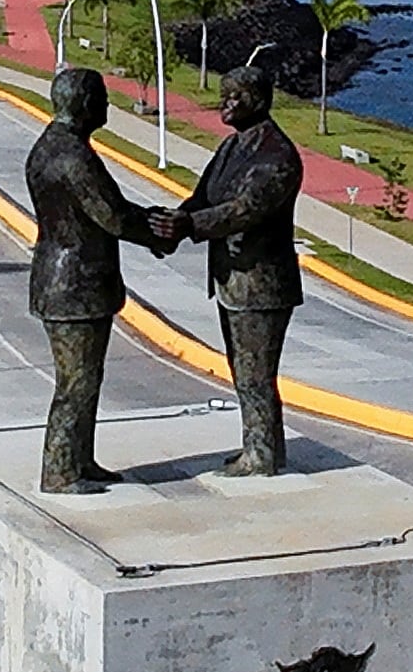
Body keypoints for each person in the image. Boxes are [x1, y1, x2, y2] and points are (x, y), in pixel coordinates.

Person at [151, 61, 303, 475]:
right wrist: (171, 223)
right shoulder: (231, 148)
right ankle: (255, 446)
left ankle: (264, 454)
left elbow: (244, 210)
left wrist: (189, 225)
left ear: (259, 100)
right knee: (242, 371)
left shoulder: (279, 156)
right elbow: (203, 198)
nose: (226, 104)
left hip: (262, 282)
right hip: (232, 280)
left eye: (236, 97)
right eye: (224, 96)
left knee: (256, 373)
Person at [25, 66, 170, 492]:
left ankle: (80, 460)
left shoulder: (50, 146)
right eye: (102, 98)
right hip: (75, 284)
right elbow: (112, 216)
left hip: (62, 278)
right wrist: (158, 230)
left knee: (86, 378)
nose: (107, 105)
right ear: (86, 104)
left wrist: (147, 221)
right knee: (77, 382)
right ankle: (60, 471)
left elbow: (111, 208)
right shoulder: (73, 157)